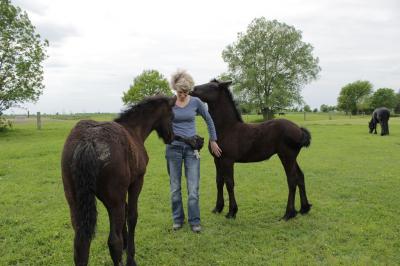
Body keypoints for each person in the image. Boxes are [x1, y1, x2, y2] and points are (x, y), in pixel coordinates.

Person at [166, 70, 222, 233]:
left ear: (189, 90)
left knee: (193, 189)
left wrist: (213, 139)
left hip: (192, 150)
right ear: (174, 89)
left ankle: (194, 221)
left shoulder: (196, 102)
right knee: (175, 188)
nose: (181, 95)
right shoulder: (169, 103)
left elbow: (209, 119)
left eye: (184, 92)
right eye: (179, 92)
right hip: (173, 149)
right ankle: (177, 219)